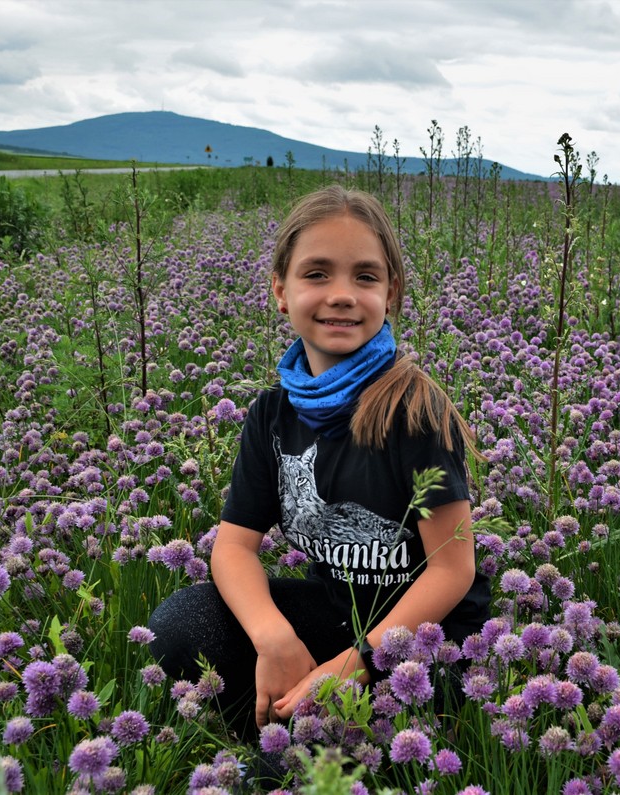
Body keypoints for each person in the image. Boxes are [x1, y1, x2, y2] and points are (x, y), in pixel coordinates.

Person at [148, 185, 490, 743]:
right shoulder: (272, 416)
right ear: (281, 290)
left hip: (422, 640)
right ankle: (270, 719)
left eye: (364, 276)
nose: (341, 295)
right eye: (317, 274)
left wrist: (355, 663)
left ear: (391, 293)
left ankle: (278, 745)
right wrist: (273, 638)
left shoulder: (415, 410)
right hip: (333, 612)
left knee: (310, 764)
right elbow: (234, 547)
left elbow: (452, 569)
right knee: (177, 625)